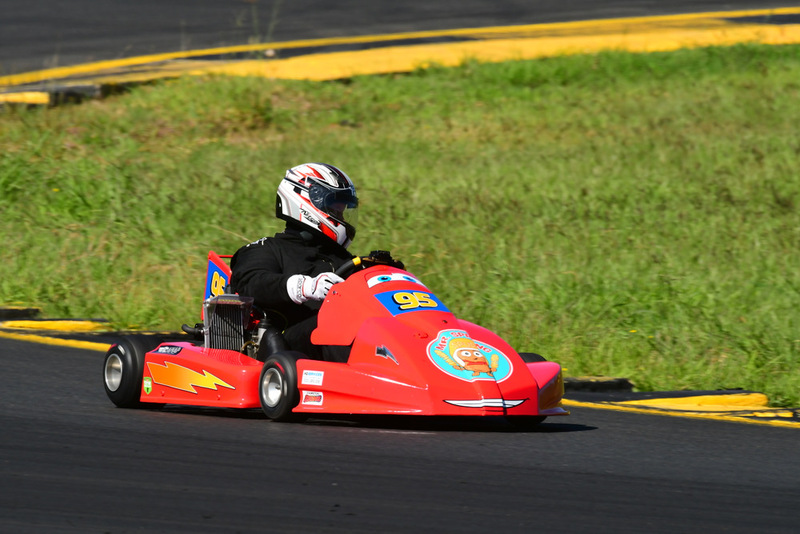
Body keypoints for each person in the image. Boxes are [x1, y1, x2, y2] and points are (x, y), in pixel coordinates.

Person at [229, 163, 359, 362]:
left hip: (342, 335)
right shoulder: (267, 249)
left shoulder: (343, 259)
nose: (341, 216)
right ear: (306, 200)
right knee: (335, 322)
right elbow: (251, 282)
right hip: (288, 345)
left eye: (343, 210)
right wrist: (305, 287)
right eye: (335, 208)